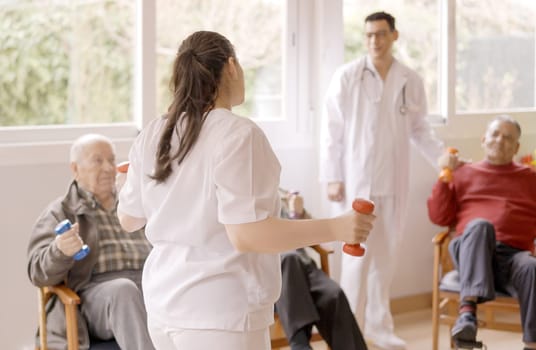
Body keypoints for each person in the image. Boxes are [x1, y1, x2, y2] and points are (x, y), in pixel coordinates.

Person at [116, 30, 375, 350]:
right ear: (232, 67)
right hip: (221, 313)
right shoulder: (237, 134)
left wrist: (128, 184)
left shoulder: (153, 133)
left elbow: (128, 219)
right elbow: (247, 234)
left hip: (164, 308)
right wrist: (336, 227)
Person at [319, 11, 444, 350]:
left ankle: (379, 326)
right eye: (369, 35)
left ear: (394, 36)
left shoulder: (410, 79)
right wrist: (332, 176)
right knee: (356, 262)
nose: (375, 40)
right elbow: (332, 130)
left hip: (393, 183)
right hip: (356, 183)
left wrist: (443, 159)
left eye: (381, 34)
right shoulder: (347, 77)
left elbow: (420, 130)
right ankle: (348, 331)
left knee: (386, 261)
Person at [26, 134, 155, 350]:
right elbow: (38, 273)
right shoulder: (60, 212)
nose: (107, 168)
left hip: (150, 283)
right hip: (99, 294)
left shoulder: (132, 204)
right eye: (97, 160)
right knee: (124, 290)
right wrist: (59, 251)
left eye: (112, 160)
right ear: (75, 169)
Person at [427, 115, 536, 350]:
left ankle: (532, 344)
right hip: (471, 249)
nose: (500, 140)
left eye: (508, 137)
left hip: (512, 257)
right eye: (495, 134)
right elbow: (439, 217)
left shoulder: (531, 178)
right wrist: (444, 174)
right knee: (480, 226)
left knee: (531, 266)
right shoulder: (462, 172)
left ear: (517, 147)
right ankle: (467, 315)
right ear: (484, 139)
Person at [276, 189, 368, 350]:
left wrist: (299, 212)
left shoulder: (283, 197)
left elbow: (317, 234)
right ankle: (300, 344)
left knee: (333, 294)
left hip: (305, 268)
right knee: (289, 258)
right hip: (278, 273)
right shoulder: (249, 204)